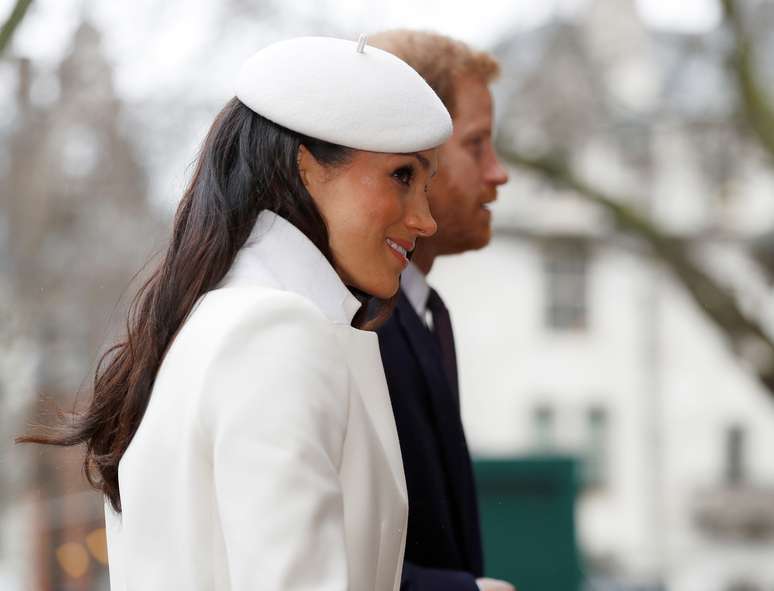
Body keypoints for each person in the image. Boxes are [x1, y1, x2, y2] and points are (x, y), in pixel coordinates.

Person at [18, 35, 452, 590]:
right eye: (402, 176)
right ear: (306, 167)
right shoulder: (277, 334)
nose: (425, 219)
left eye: (427, 184)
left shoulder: (209, 324)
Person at [369, 31, 513, 591]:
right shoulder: (356, 322)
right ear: (414, 150)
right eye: (476, 146)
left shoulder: (416, 310)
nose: (498, 173)